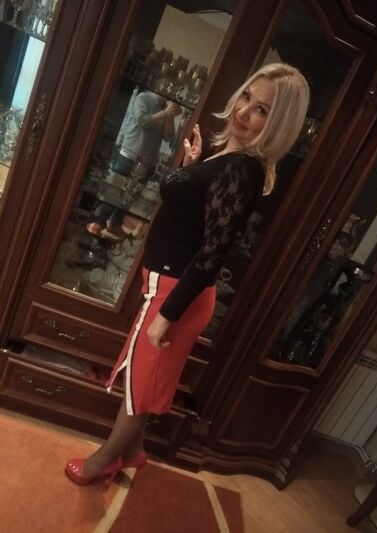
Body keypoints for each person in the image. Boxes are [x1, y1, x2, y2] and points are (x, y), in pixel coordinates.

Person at [65, 62, 310, 485]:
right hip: (168, 284)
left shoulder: (240, 169)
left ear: (278, 124)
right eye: (248, 96)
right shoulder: (229, 159)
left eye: (262, 110)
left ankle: (103, 460)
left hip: (176, 290)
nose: (244, 110)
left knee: (139, 383)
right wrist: (195, 165)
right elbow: (198, 214)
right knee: (146, 375)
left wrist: (168, 314)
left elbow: (213, 252)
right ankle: (134, 451)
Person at [87, 90, 181, 238]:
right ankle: (98, 223)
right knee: (115, 193)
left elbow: (168, 136)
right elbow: (143, 121)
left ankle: (115, 224)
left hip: (148, 162)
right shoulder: (143, 97)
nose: (171, 92)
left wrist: (169, 116)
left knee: (131, 196)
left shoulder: (165, 108)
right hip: (130, 155)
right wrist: (165, 113)